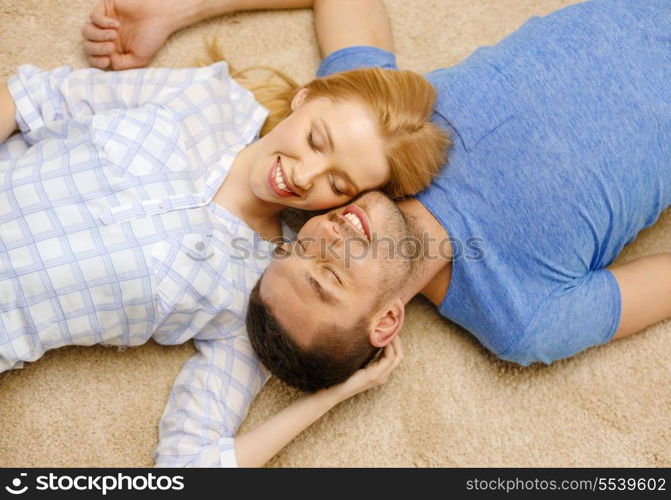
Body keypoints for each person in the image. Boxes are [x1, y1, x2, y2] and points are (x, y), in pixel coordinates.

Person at [1, 0, 448, 467]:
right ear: (305, 97)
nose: (305, 174)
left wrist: (334, 394)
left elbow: (188, 467)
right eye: (316, 140)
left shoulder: (265, 288)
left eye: (337, 184)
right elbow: (33, 97)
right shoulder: (208, 98)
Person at [247, 0, 671, 391]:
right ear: (387, 321)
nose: (328, 236)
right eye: (331, 274)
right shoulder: (523, 318)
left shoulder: (368, 156)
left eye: (301, 245)